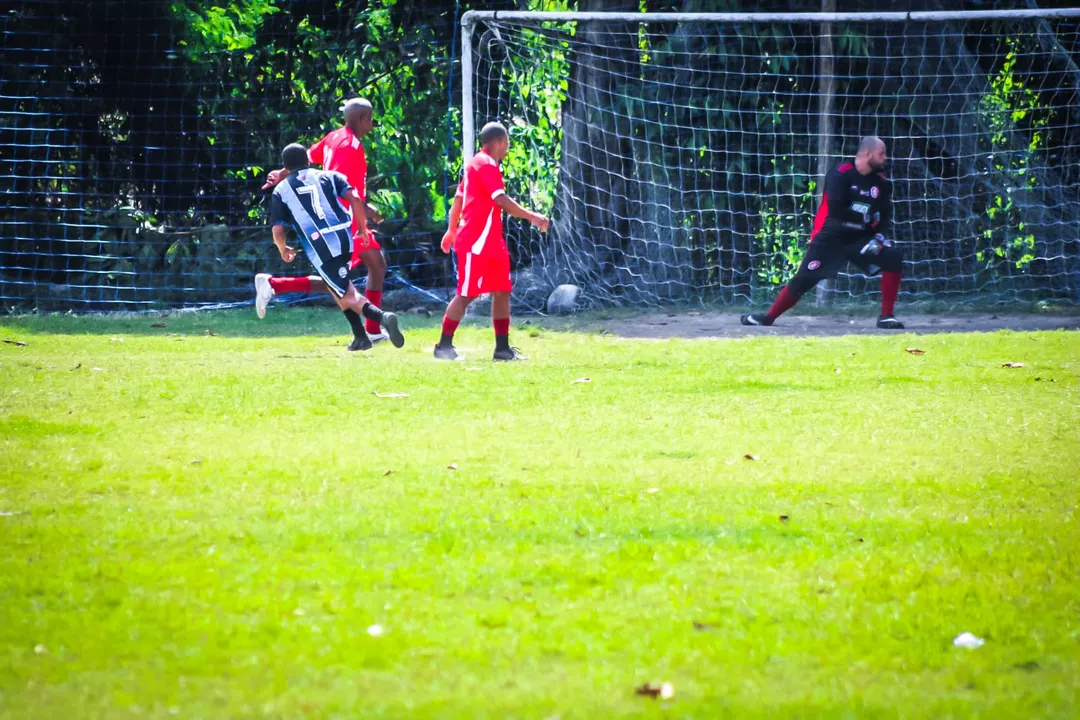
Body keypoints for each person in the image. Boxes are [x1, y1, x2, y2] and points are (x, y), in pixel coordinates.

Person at [256, 99, 388, 341]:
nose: (372, 124)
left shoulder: (334, 136)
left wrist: (282, 172)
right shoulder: (349, 146)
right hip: (342, 223)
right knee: (347, 276)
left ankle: (369, 331)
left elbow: (305, 158)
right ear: (363, 120)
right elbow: (340, 186)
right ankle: (275, 284)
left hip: (344, 221)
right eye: (370, 119)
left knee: (359, 271)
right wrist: (366, 215)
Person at [742, 136, 905, 330]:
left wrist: (879, 236)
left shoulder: (882, 182)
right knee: (804, 278)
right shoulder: (840, 174)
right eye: (882, 154)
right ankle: (768, 317)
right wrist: (866, 219)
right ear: (867, 154)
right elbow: (837, 211)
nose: (885, 158)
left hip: (859, 238)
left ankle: (886, 317)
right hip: (831, 237)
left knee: (893, 258)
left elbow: (885, 213)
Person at [269, 143, 403, 352]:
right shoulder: (330, 175)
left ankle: (382, 317)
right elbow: (355, 198)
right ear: (308, 159)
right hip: (344, 236)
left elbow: (278, 229)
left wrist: (283, 248)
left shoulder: (281, 190)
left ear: (285, 166)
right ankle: (360, 337)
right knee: (337, 285)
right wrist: (361, 227)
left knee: (348, 293)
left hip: (320, 244)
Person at [434, 122, 550, 361]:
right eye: (506, 143)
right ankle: (443, 347)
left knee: (502, 291)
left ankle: (502, 349)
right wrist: (532, 216)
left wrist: (450, 230)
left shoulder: (476, 164)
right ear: (498, 142)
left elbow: (458, 198)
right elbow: (500, 199)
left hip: (491, 243)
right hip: (475, 242)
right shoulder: (485, 164)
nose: (507, 148)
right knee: (466, 294)